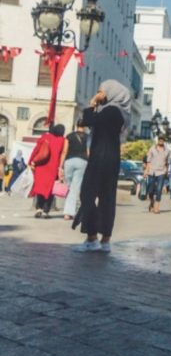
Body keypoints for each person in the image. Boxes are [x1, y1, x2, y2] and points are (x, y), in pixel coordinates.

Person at [73, 80, 130, 253]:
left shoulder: (112, 110)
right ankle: (105, 239)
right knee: (107, 196)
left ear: (111, 92)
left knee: (88, 194)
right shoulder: (120, 112)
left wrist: (92, 102)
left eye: (101, 91)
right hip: (111, 157)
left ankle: (92, 238)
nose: (99, 93)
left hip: (101, 156)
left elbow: (87, 121)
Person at [28, 124, 66, 218]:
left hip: (41, 167)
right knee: (50, 190)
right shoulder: (62, 140)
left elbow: (36, 150)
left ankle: (38, 209)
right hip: (53, 168)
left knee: (40, 189)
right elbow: (63, 154)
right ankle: (46, 211)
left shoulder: (45, 137)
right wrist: (61, 168)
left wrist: (31, 161)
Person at [59, 120, 89, 220]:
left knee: (68, 186)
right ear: (85, 127)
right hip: (82, 162)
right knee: (75, 188)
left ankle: (68, 210)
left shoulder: (69, 136)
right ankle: (68, 212)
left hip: (69, 161)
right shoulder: (87, 137)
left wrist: (60, 166)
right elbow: (89, 152)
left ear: (76, 125)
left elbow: (64, 151)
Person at [144, 136, 171, 214]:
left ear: (164, 141)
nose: (161, 141)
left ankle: (157, 208)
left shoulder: (167, 151)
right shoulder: (152, 149)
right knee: (150, 190)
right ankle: (151, 202)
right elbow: (148, 161)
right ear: (158, 141)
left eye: (162, 140)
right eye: (160, 140)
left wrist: (166, 170)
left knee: (159, 190)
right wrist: (146, 171)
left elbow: (167, 162)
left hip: (161, 172)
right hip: (152, 171)